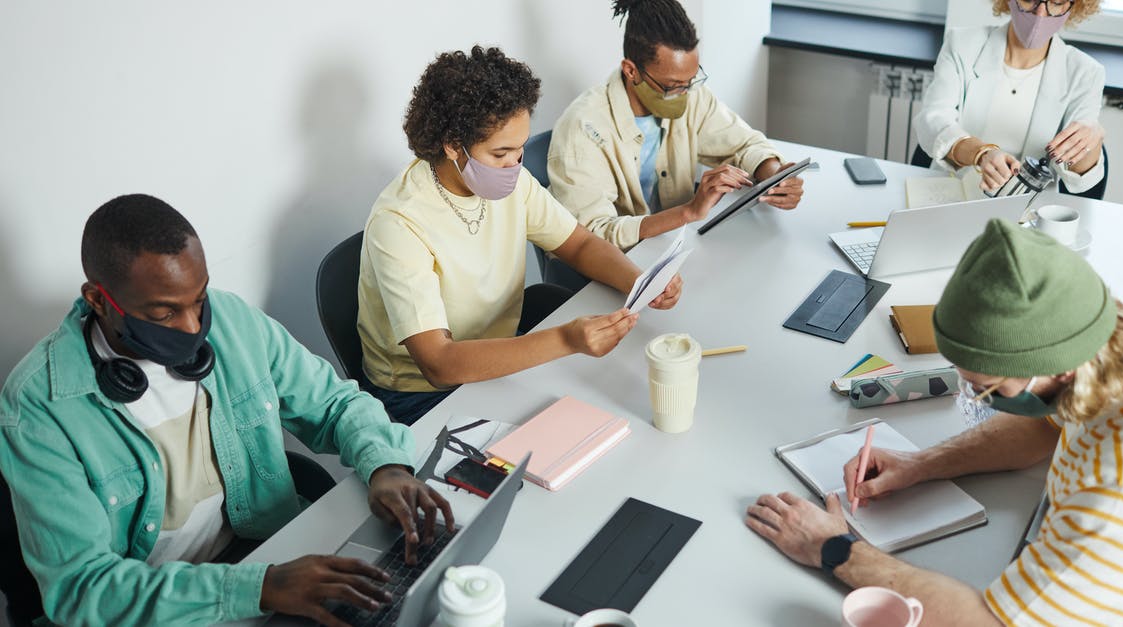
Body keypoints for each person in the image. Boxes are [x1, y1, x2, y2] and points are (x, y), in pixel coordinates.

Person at [0, 195, 453, 627]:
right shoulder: (39, 406)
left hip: (263, 555)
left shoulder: (234, 322)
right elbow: (83, 589)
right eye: (164, 313)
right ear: (99, 300)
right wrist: (260, 588)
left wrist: (387, 466)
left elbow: (335, 404)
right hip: (163, 608)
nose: (194, 328)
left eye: (199, 300)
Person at [746, 219, 1123, 625]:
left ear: (1059, 367)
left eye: (986, 386)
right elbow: (1048, 422)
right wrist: (921, 464)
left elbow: (987, 621)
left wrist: (836, 550)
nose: (976, 397)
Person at [357, 46, 682, 425]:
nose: (514, 164)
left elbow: (577, 243)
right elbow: (439, 363)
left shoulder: (512, 182)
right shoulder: (399, 222)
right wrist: (566, 340)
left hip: (497, 356)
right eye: (500, 154)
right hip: (422, 396)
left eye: (520, 149)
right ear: (452, 146)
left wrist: (641, 282)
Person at [546, 0, 805, 251]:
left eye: (691, 80)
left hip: (676, 246)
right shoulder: (582, 129)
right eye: (672, 86)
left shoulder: (693, 96)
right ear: (631, 71)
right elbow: (592, 236)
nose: (685, 93)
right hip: (619, 263)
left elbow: (745, 144)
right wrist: (689, 211)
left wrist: (776, 177)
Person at [915, 0, 1108, 199]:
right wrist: (981, 154)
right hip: (951, 195)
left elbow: (1080, 180)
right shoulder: (962, 44)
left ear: (1074, 6)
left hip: (1028, 211)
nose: (1041, 14)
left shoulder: (1086, 73)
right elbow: (932, 120)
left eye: (1057, 2)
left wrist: (1093, 139)